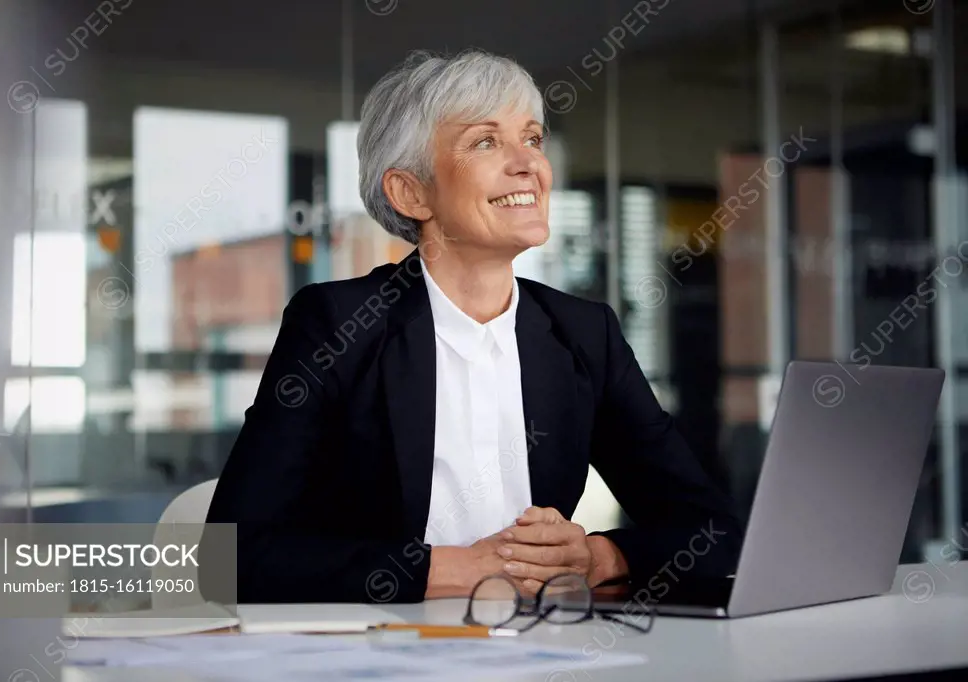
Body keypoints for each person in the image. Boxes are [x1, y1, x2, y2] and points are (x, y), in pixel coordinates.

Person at [202, 49, 741, 604]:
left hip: (541, 646)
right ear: (411, 192)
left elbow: (715, 531)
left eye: (532, 138)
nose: (528, 163)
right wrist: (456, 569)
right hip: (381, 653)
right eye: (485, 141)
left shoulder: (584, 333)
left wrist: (598, 556)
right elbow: (232, 557)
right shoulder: (338, 325)